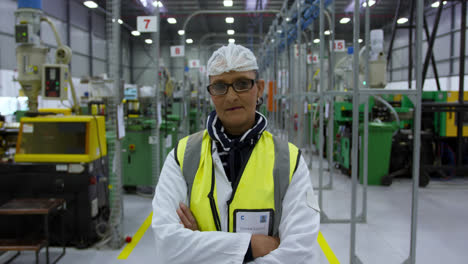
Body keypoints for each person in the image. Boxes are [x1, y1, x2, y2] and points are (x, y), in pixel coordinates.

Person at [152, 43, 320, 263]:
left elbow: (299, 252)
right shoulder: (183, 156)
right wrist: (251, 246)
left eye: (241, 84)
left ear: (259, 88)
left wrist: (199, 242)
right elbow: (167, 246)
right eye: (220, 86)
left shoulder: (289, 161)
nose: (231, 96)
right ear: (211, 93)